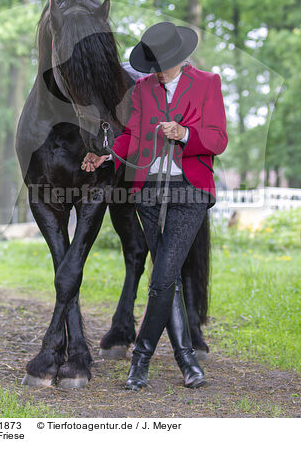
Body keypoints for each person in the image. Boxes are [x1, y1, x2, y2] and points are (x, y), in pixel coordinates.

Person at [81, 20, 228, 391]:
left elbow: (218, 138)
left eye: (161, 64)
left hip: (189, 190)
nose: (156, 72)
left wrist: (186, 134)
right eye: (153, 65)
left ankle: (140, 360)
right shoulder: (144, 90)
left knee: (161, 278)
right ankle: (187, 361)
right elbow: (131, 134)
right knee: (169, 278)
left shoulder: (208, 84)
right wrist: (107, 157)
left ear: (180, 57)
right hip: (148, 192)